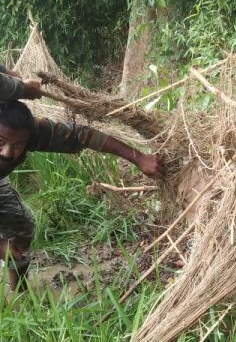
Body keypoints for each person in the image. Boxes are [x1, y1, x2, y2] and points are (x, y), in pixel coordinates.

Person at [0, 66, 164, 291]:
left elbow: (83, 135)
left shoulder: (31, 132)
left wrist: (138, 158)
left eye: (18, 145)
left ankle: (18, 293)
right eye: (1, 142)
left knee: (21, 226)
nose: (8, 153)